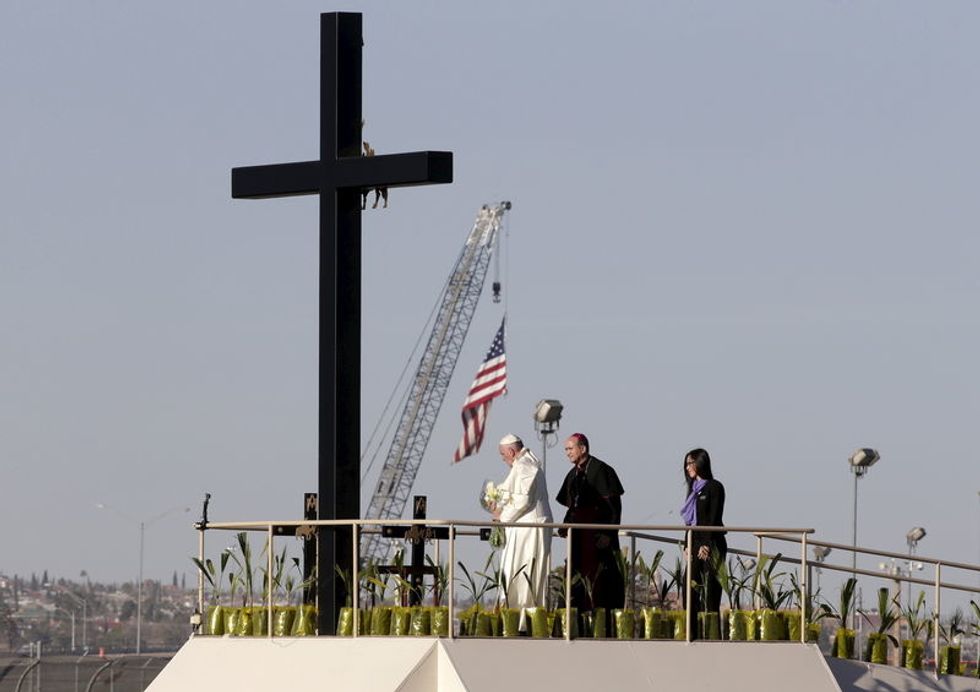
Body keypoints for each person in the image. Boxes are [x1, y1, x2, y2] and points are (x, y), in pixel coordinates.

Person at [555, 433, 625, 615]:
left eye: (570, 448)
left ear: (583, 448)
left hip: (598, 538)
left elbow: (614, 507)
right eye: (566, 449)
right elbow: (573, 507)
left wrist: (608, 534)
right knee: (575, 582)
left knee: (601, 583)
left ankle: (600, 622)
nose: (567, 453)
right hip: (578, 540)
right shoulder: (573, 475)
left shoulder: (601, 470)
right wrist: (565, 525)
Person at [492, 434, 553, 620]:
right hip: (525, 528)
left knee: (524, 572)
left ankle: (521, 619)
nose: (503, 460)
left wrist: (501, 517)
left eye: (503, 455)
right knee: (516, 571)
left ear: (511, 451)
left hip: (529, 530)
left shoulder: (525, 466)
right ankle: (515, 616)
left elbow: (523, 500)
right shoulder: (523, 464)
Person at [681, 447, 726, 639]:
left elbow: (713, 518)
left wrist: (707, 544)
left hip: (712, 544)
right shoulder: (692, 491)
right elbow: (690, 522)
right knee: (688, 586)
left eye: (691, 462)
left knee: (711, 591)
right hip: (695, 543)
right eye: (686, 463)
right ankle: (692, 632)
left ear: (701, 463)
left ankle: (712, 634)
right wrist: (687, 544)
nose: (688, 467)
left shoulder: (714, 487)